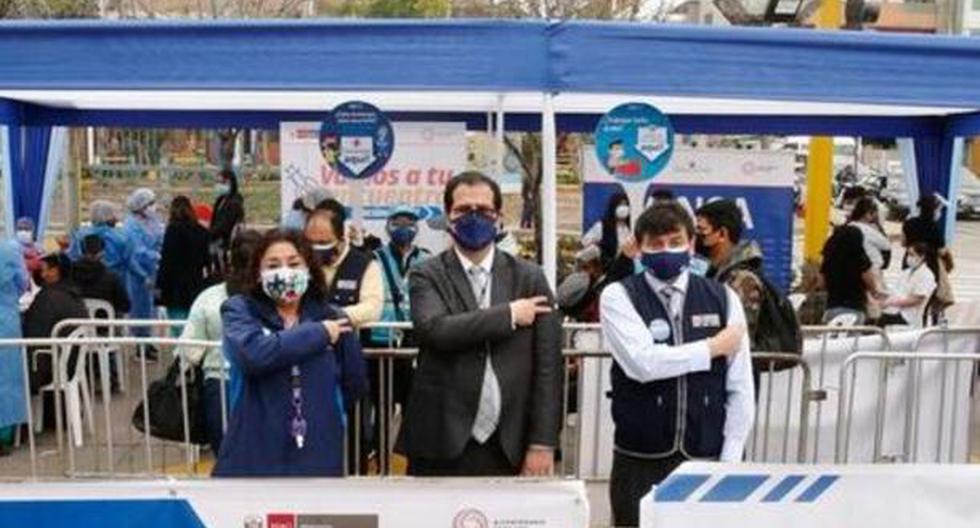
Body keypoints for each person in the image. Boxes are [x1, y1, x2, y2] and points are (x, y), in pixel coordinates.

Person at [599, 201, 754, 528]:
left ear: (692, 244)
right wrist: (711, 348)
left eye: (675, 242)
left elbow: (740, 385)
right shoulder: (618, 296)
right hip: (639, 459)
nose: (666, 250)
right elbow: (643, 363)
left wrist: (730, 458)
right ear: (638, 249)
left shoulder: (724, 298)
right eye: (655, 244)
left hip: (707, 457)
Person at [400, 171, 563, 477]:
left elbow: (548, 367)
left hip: (510, 440)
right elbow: (435, 330)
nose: (473, 217)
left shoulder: (530, 277)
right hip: (441, 438)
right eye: (463, 210)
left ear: (498, 217)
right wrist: (509, 315)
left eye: (484, 210)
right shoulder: (427, 274)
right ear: (448, 216)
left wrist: (542, 443)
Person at [213, 229, 367, 477]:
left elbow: (354, 380)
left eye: (294, 263)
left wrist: (324, 408)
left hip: (317, 448)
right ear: (258, 273)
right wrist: (319, 335)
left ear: (308, 268)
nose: (284, 271)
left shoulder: (332, 316)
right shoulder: (239, 310)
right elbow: (252, 354)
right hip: (255, 446)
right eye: (273, 265)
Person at [174, 230, 262, 454]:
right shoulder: (277, 298)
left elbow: (189, 351)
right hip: (267, 384)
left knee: (225, 455)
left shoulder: (210, 297)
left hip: (220, 384)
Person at [304, 199, 383, 328]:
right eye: (310, 242)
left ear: (341, 239)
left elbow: (372, 308)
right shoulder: (299, 263)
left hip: (345, 339)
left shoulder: (365, 266)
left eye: (323, 243)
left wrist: (335, 314)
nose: (316, 248)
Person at [695, 200, 764, 338]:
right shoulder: (712, 272)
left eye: (701, 230)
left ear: (722, 233)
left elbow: (738, 334)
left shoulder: (743, 280)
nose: (696, 236)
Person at [22, 253, 89, 395]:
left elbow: (33, 333)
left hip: (50, 367)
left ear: (55, 271)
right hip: (72, 364)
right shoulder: (74, 294)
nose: (42, 274)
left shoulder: (47, 298)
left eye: (45, 269)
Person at [157, 196, 212, 331]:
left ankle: (180, 350)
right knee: (193, 324)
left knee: (177, 325)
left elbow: (166, 260)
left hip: (175, 287)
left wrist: (159, 285)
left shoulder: (172, 231)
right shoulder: (202, 232)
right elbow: (207, 260)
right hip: (195, 283)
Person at [122, 189, 164, 358]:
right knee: (139, 308)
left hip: (153, 270)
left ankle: (147, 340)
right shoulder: (131, 225)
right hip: (137, 273)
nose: (153, 207)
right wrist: (154, 255)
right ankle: (140, 344)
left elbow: (161, 236)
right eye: (150, 204)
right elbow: (136, 250)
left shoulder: (153, 221)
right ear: (140, 206)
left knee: (151, 308)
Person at [0, 240, 29, 454]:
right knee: (6, 378)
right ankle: (4, 434)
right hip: (5, 320)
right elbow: (22, 283)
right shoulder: (9, 250)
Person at [820, 225, 875, 324]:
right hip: (855, 307)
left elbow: (822, 283)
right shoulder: (860, 258)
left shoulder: (829, 258)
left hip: (832, 306)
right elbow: (870, 282)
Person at [582, 189, 638, 284]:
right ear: (614, 207)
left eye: (626, 205)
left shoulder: (632, 226)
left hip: (628, 271)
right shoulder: (602, 226)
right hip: (608, 270)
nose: (623, 208)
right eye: (620, 205)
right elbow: (585, 242)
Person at [68, 200, 130, 281]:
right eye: (113, 214)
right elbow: (128, 260)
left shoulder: (80, 234)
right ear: (108, 216)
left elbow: (72, 256)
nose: (116, 218)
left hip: (83, 279)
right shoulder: (119, 237)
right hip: (113, 280)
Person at [880, 243, 937, 328]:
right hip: (896, 309)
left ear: (922, 257)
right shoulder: (906, 272)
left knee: (877, 319)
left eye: (911, 254)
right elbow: (896, 291)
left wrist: (892, 303)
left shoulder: (926, 275)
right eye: (908, 254)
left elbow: (917, 299)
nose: (908, 258)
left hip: (908, 315)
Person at [72, 235, 130, 317]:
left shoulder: (69, 275)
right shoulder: (112, 278)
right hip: (105, 326)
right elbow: (125, 306)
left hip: (74, 325)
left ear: (81, 252)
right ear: (102, 254)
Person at [847, 197, 891, 290]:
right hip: (872, 271)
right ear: (867, 214)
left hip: (852, 271)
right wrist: (878, 225)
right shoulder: (868, 230)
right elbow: (887, 245)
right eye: (874, 213)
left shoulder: (849, 226)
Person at [210, 169, 245, 275]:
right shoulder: (221, 200)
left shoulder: (234, 203)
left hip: (225, 244)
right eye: (217, 182)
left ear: (230, 183)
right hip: (216, 243)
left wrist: (208, 234)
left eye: (221, 182)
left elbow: (225, 226)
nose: (218, 185)